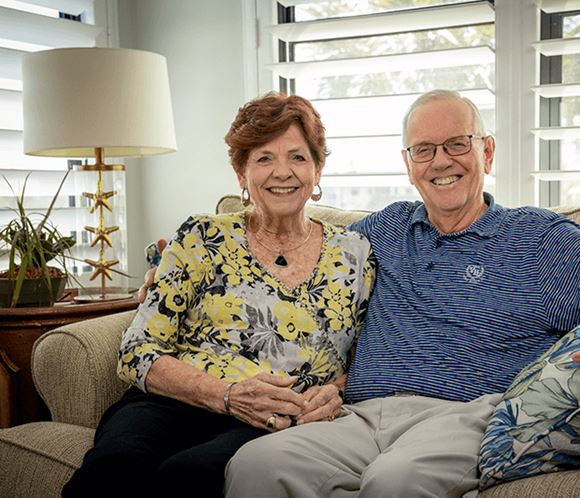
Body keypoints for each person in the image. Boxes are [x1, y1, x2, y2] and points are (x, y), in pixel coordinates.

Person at [222, 90, 580, 498]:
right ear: (409, 164)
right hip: (358, 418)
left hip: (463, 417)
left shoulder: (535, 238)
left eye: (457, 144)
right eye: (424, 150)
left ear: (487, 152)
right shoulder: (382, 230)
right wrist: (178, 275)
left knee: (394, 481)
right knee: (257, 464)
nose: (441, 161)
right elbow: (295, 267)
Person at [62, 93, 375, 498]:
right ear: (241, 173)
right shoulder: (201, 236)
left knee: (189, 475)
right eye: (264, 158)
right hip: (173, 402)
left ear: (318, 169)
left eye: (298, 157)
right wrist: (226, 395)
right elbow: (137, 351)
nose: (283, 172)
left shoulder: (356, 254)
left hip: (272, 422)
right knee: (113, 468)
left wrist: (335, 391)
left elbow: (371, 357)